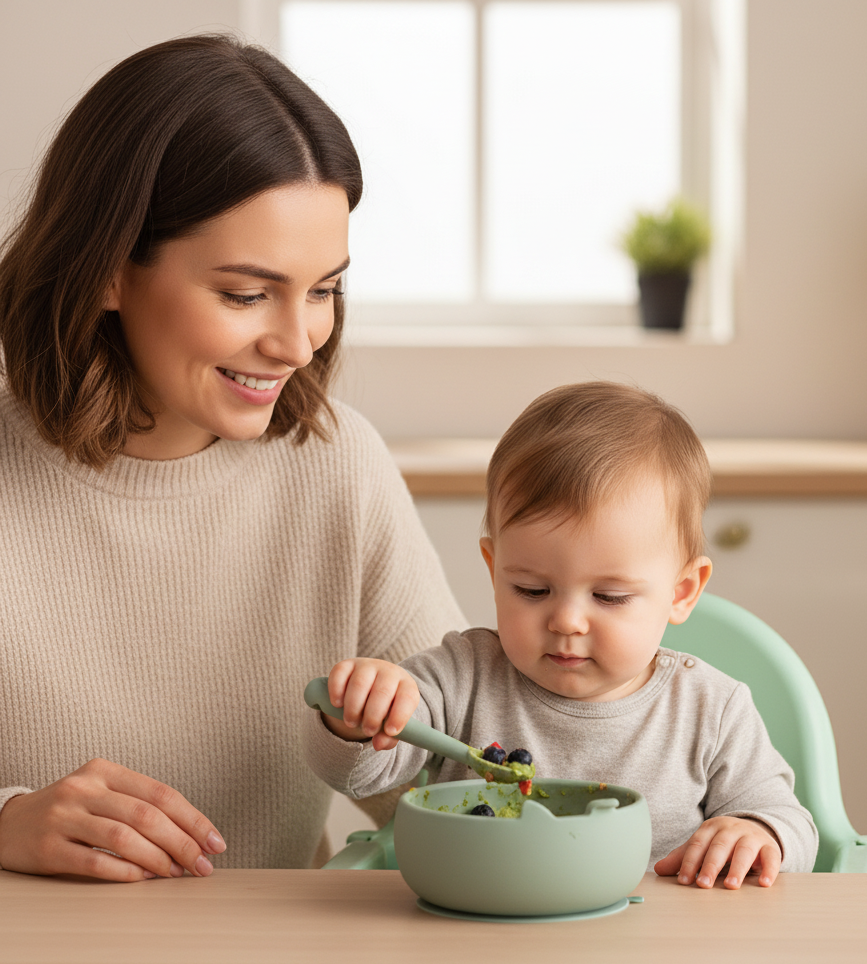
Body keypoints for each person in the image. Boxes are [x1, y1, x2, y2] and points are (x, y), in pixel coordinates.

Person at [0, 35, 464, 881]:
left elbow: (459, 787)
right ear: (106, 270)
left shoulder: (338, 468)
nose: (297, 342)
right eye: (247, 294)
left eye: (324, 289)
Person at [304, 381, 818, 887]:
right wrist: (361, 717)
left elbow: (791, 823)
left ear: (682, 591)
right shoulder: (459, 677)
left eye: (609, 597)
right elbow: (356, 775)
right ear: (494, 566)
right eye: (531, 589)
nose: (566, 621)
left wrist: (757, 832)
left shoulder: (711, 709)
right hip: (481, 934)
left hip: (649, 952)